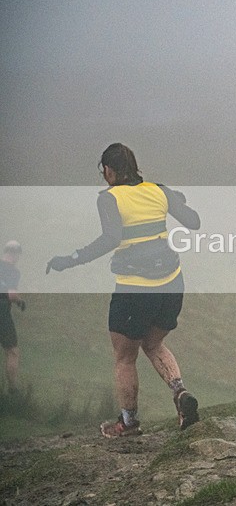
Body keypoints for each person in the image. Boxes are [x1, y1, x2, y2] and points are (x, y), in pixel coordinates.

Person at [46, 143, 202, 437]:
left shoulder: (110, 198)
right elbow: (193, 221)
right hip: (172, 283)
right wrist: (176, 200)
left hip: (135, 291)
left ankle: (128, 423)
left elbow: (110, 239)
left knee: (125, 357)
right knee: (153, 343)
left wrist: (72, 259)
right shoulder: (158, 190)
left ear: (109, 170)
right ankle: (181, 394)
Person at [1, 240, 26, 395]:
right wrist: (20, 301)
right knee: (12, 351)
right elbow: (11, 294)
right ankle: (13, 391)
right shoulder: (12, 271)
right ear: (17, 254)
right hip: (2, 311)